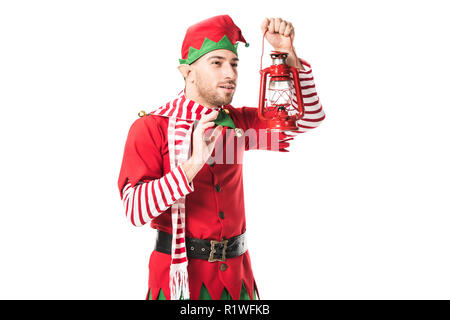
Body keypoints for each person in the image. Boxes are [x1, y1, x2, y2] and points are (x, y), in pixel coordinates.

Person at [117, 15, 325, 300]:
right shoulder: (152, 127)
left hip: (237, 282)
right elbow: (134, 210)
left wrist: (288, 58)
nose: (230, 73)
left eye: (234, 63)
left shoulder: (238, 123)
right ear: (187, 72)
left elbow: (307, 119)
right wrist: (191, 165)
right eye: (216, 62)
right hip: (179, 284)